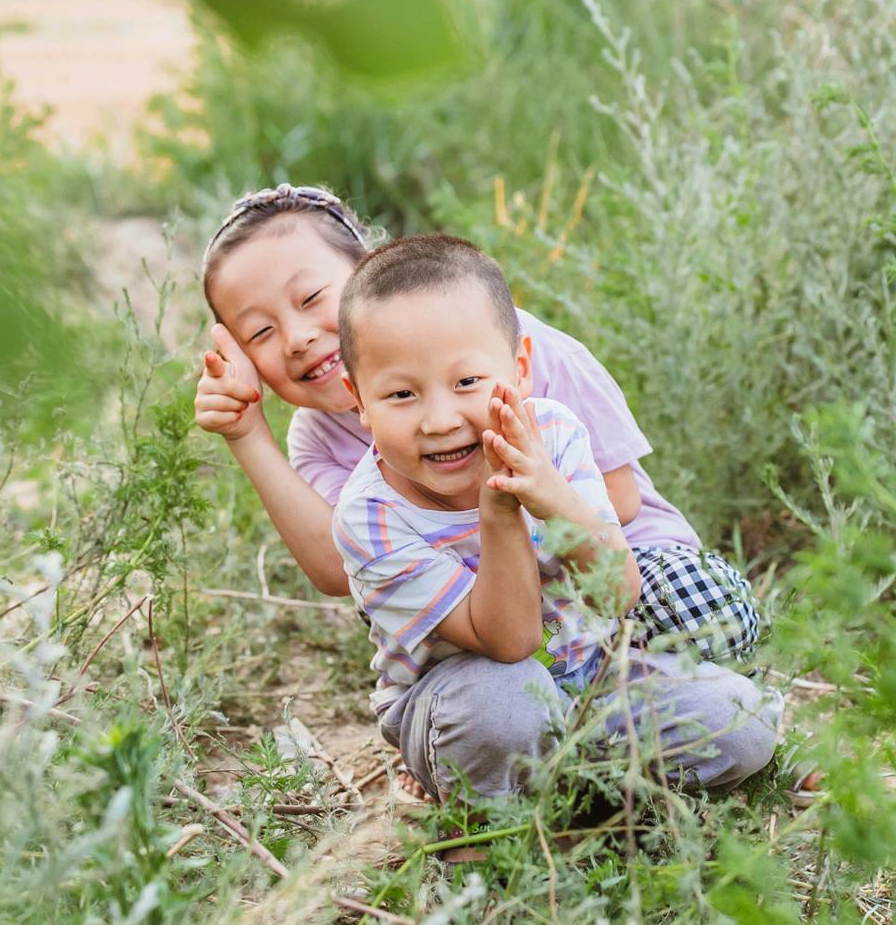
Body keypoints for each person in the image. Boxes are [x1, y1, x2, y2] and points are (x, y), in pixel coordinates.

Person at [195, 184, 760, 667]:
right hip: (479, 618)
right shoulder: (317, 437)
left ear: (372, 272)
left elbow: (622, 497)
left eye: (312, 297)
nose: (296, 338)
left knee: (702, 615)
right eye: (259, 333)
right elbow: (339, 567)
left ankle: (719, 725)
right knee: (483, 689)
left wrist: (515, 511)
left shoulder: (510, 347)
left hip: (621, 569)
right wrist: (247, 435)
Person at [329, 233, 782, 801]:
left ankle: (577, 787)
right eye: (401, 395)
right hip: (461, 698)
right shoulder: (370, 516)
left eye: (466, 382)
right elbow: (511, 641)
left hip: (589, 679)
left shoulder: (555, 432)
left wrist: (550, 494)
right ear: (358, 400)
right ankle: (485, 813)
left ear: (519, 368)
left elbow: (618, 591)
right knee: (504, 703)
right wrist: (501, 513)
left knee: (742, 720)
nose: (440, 419)